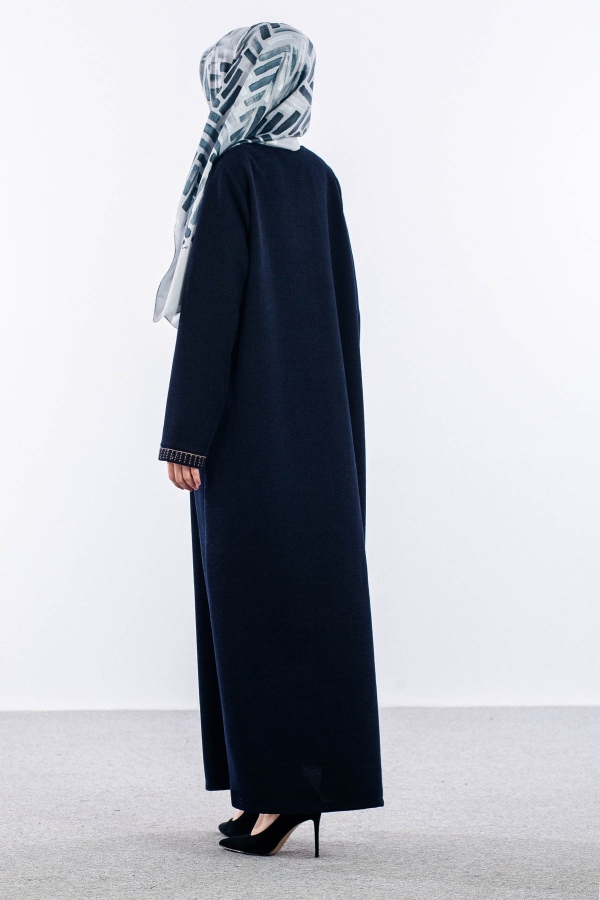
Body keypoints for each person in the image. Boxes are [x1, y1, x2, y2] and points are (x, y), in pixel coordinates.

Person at [154, 22, 384, 858]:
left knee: (249, 606)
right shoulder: (317, 178)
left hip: (248, 433)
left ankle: (275, 797)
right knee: (306, 604)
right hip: (320, 430)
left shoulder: (235, 173)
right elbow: (343, 316)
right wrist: (347, 436)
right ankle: (282, 789)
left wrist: (186, 438)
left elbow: (211, 316)